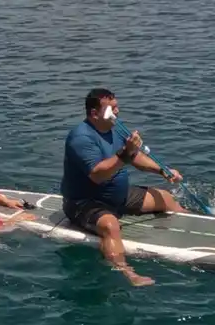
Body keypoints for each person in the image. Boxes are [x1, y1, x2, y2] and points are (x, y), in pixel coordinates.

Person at [61, 88, 182, 286]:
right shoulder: (81, 138)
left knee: (166, 198)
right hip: (84, 202)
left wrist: (162, 170)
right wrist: (125, 153)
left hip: (118, 196)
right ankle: (128, 273)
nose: (117, 112)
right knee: (111, 226)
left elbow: (134, 157)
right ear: (94, 113)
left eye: (117, 107)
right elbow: (98, 174)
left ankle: (197, 223)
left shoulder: (115, 129)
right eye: (112, 109)